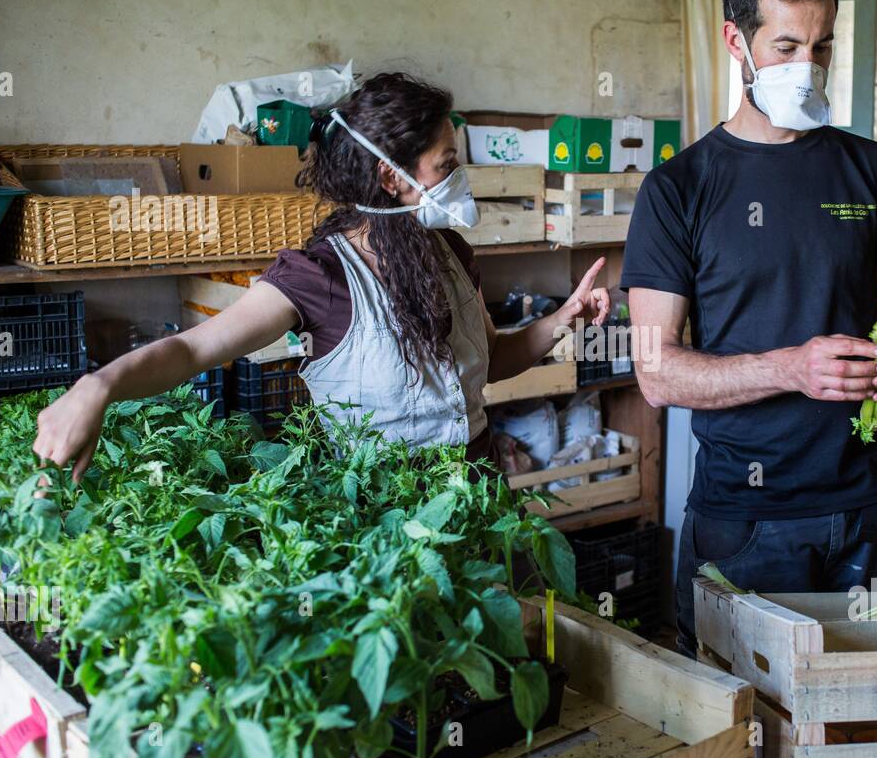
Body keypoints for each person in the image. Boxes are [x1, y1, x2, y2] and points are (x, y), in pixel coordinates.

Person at [33, 72, 610, 477]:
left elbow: (491, 362)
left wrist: (563, 319)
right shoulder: (321, 275)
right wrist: (97, 387)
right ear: (391, 179)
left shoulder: (450, 252)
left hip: (480, 499)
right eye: (447, 166)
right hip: (385, 524)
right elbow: (191, 352)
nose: (459, 178)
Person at [621, 0, 877, 657]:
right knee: (749, 735)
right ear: (736, 40)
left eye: (821, 48)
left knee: (876, 713)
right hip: (746, 517)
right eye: (786, 47)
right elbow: (656, 373)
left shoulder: (874, 171)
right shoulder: (678, 191)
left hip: (865, 504)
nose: (807, 67)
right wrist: (794, 368)